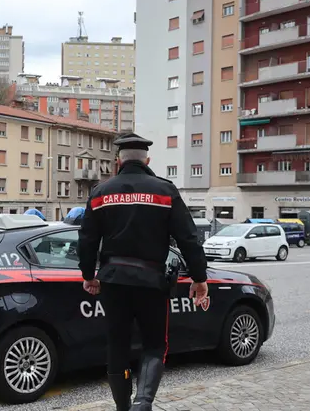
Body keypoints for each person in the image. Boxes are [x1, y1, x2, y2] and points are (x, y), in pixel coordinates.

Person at [77, 133, 209, 411]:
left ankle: (123, 407)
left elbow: (87, 239)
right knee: (153, 345)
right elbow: (188, 238)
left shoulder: (100, 193)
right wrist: (199, 278)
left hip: (113, 281)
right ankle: (143, 402)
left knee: (117, 344)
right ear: (148, 160)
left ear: (118, 162)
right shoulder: (164, 191)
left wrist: (89, 275)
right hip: (151, 282)